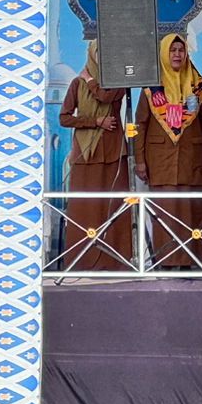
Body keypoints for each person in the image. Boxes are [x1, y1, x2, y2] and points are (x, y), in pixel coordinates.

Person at [132, 32, 202, 269]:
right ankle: (166, 261)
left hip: (192, 159)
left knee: (192, 211)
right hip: (160, 161)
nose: (177, 54)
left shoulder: (197, 85)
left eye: (181, 50)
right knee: (165, 211)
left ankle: (192, 261)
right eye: (172, 50)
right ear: (164, 54)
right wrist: (140, 160)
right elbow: (140, 124)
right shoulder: (152, 88)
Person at [58, 40, 133, 271]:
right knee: (86, 207)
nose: (102, 56)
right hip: (85, 154)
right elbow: (64, 118)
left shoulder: (118, 81)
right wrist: (95, 121)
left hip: (113, 152)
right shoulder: (77, 83)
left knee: (114, 206)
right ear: (91, 53)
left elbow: (106, 97)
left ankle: (116, 262)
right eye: (99, 52)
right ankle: (82, 262)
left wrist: (91, 81)